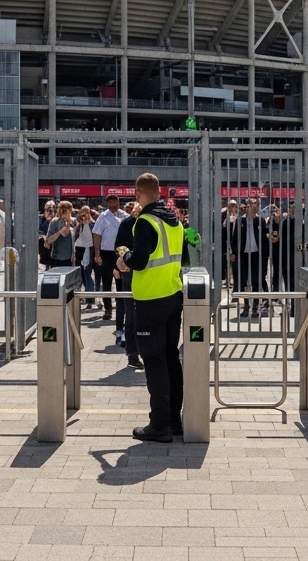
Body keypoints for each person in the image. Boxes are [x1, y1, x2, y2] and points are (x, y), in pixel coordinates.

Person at [117, 173, 190, 443]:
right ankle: (174, 420)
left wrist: (125, 256)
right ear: (159, 192)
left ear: (138, 194)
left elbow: (140, 261)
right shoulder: (174, 221)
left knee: (154, 361)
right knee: (171, 357)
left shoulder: (145, 222)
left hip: (150, 301)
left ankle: (159, 425)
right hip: (172, 296)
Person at [113, 203, 143, 368]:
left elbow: (118, 247)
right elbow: (119, 248)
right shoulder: (134, 223)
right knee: (135, 315)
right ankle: (135, 353)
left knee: (131, 315)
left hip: (130, 272)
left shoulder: (126, 223)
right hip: (137, 273)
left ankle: (133, 355)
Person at [233, 200, 269, 316]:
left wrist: (265, 255)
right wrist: (233, 253)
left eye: (256, 206)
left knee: (256, 281)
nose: (254, 209)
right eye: (252, 207)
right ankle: (246, 306)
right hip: (243, 255)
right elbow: (235, 238)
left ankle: (255, 307)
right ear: (247, 207)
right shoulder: (240, 221)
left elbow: (264, 239)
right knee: (243, 281)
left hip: (256, 255)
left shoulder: (261, 220)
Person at [92, 194, 126, 321]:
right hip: (106, 253)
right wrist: (97, 254)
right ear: (107, 204)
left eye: (115, 202)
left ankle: (121, 309)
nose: (112, 205)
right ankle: (107, 309)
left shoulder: (125, 216)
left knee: (121, 283)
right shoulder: (103, 216)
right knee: (106, 282)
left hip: (121, 253)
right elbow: (97, 235)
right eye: (110, 203)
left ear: (118, 202)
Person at [44, 200, 77, 270]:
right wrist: (59, 233)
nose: (71, 212)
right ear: (64, 210)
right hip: (58, 258)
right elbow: (48, 240)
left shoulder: (73, 221)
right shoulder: (55, 222)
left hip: (69, 258)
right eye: (69, 210)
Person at [74, 205, 96, 293]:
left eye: (86, 213)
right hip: (79, 250)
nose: (83, 215)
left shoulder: (92, 224)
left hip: (89, 250)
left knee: (87, 273)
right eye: (82, 213)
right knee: (80, 273)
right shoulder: (79, 225)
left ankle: (89, 295)